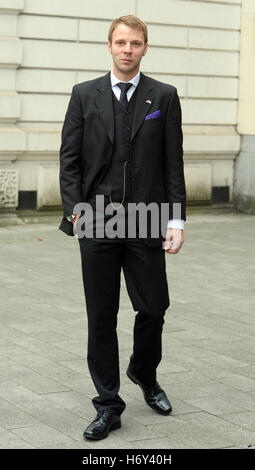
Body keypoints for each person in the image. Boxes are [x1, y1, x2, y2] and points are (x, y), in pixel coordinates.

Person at [59, 15, 186, 441]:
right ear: (109, 46)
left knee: (153, 307)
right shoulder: (83, 95)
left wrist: (176, 220)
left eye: (135, 43)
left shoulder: (163, 97)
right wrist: (75, 208)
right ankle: (108, 405)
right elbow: (70, 160)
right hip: (95, 218)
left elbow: (173, 164)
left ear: (145, 48)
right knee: (101, 316)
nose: (127, 49)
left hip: (145, 218)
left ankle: (143, 373)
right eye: (120, 42)